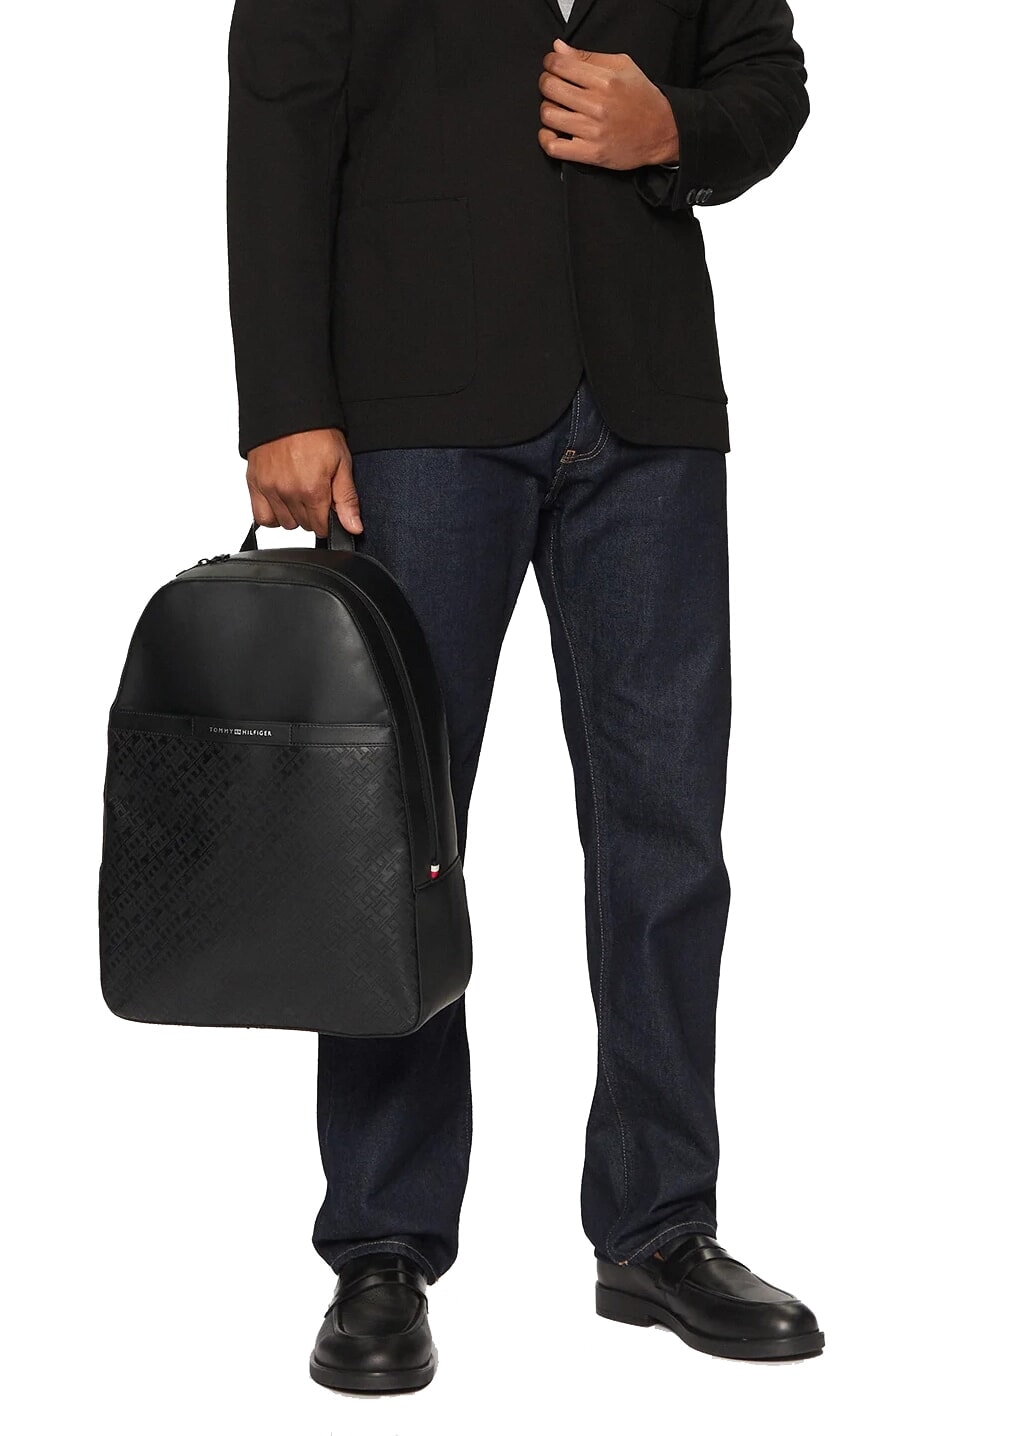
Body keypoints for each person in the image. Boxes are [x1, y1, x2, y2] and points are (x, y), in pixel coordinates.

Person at [226, 0, 821, 1393]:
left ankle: (659, 1227)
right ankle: (381, 1243)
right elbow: (279, 119)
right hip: (413, 406)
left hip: (647, 401)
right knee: (393, 845)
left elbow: (767, 78)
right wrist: (283, 401)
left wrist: (675, 129)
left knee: (668, 835)